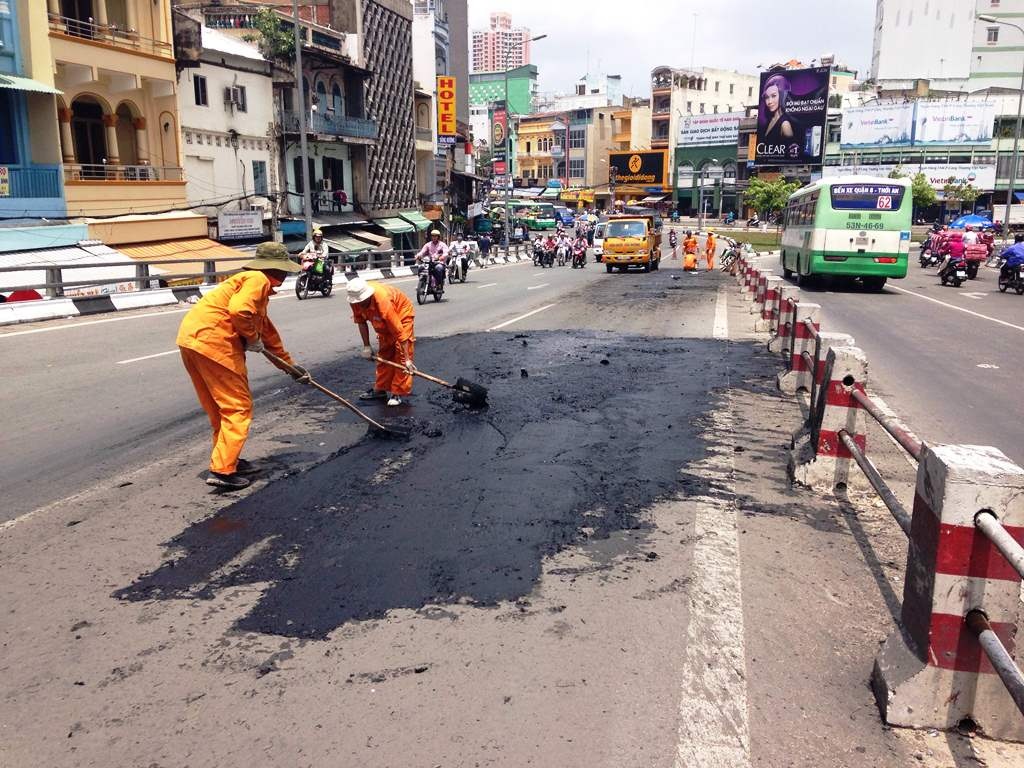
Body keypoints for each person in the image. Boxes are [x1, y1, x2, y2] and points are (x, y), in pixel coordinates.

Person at [176, 242, 309, 489]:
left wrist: (292, 368)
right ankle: (223, 471)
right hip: (216, 343)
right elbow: (239, 312)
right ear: (278, 270)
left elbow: (269, 338)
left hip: (192, 341)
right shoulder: (257, 280)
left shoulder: (249, 286)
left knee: (219, 408)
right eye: (284, 271)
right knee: (237, 407)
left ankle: (229, 458)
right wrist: (250, 336)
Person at [348, 276, 416, 407]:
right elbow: (361, 322)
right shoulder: (354, 299)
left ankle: (397, 391)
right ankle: (381, 389)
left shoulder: (383, 301)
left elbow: (399, 332)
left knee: (400, 354)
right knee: (385, 352)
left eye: (362, 301)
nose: (360, 304)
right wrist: (366, 346)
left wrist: (407, 359)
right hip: (383, 318)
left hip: (401, 313)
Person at [761, 74, 795, 145]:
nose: (769, 102)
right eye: (767, 97)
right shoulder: (770, 119)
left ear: (783, 95)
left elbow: (791, 151)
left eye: (773, 96)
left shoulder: (785, 124)